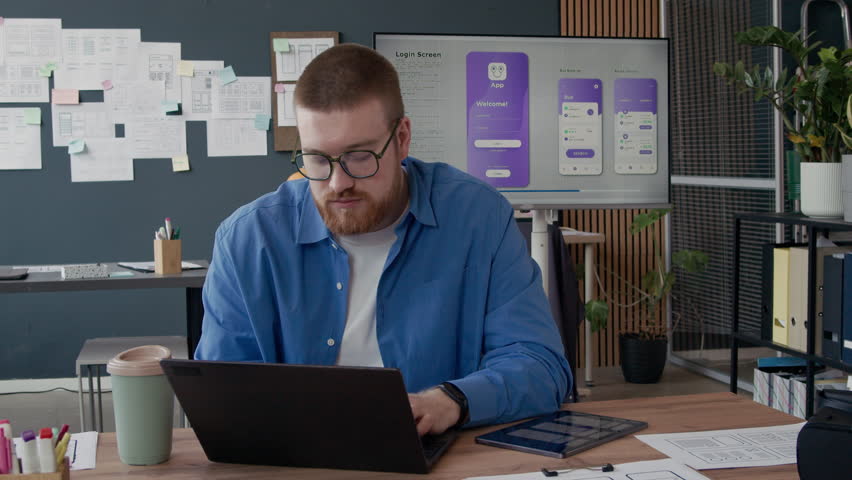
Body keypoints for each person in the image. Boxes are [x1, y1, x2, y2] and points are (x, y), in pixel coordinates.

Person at [195, 43, 571, 436]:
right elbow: (220, 392)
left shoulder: (479, 218)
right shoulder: (248, 240)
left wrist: (453, 400)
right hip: (292, 455)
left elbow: (540, 365)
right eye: (318, 159)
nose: (338, 183)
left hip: (438, 451)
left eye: (360, 156)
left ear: (402, 137)